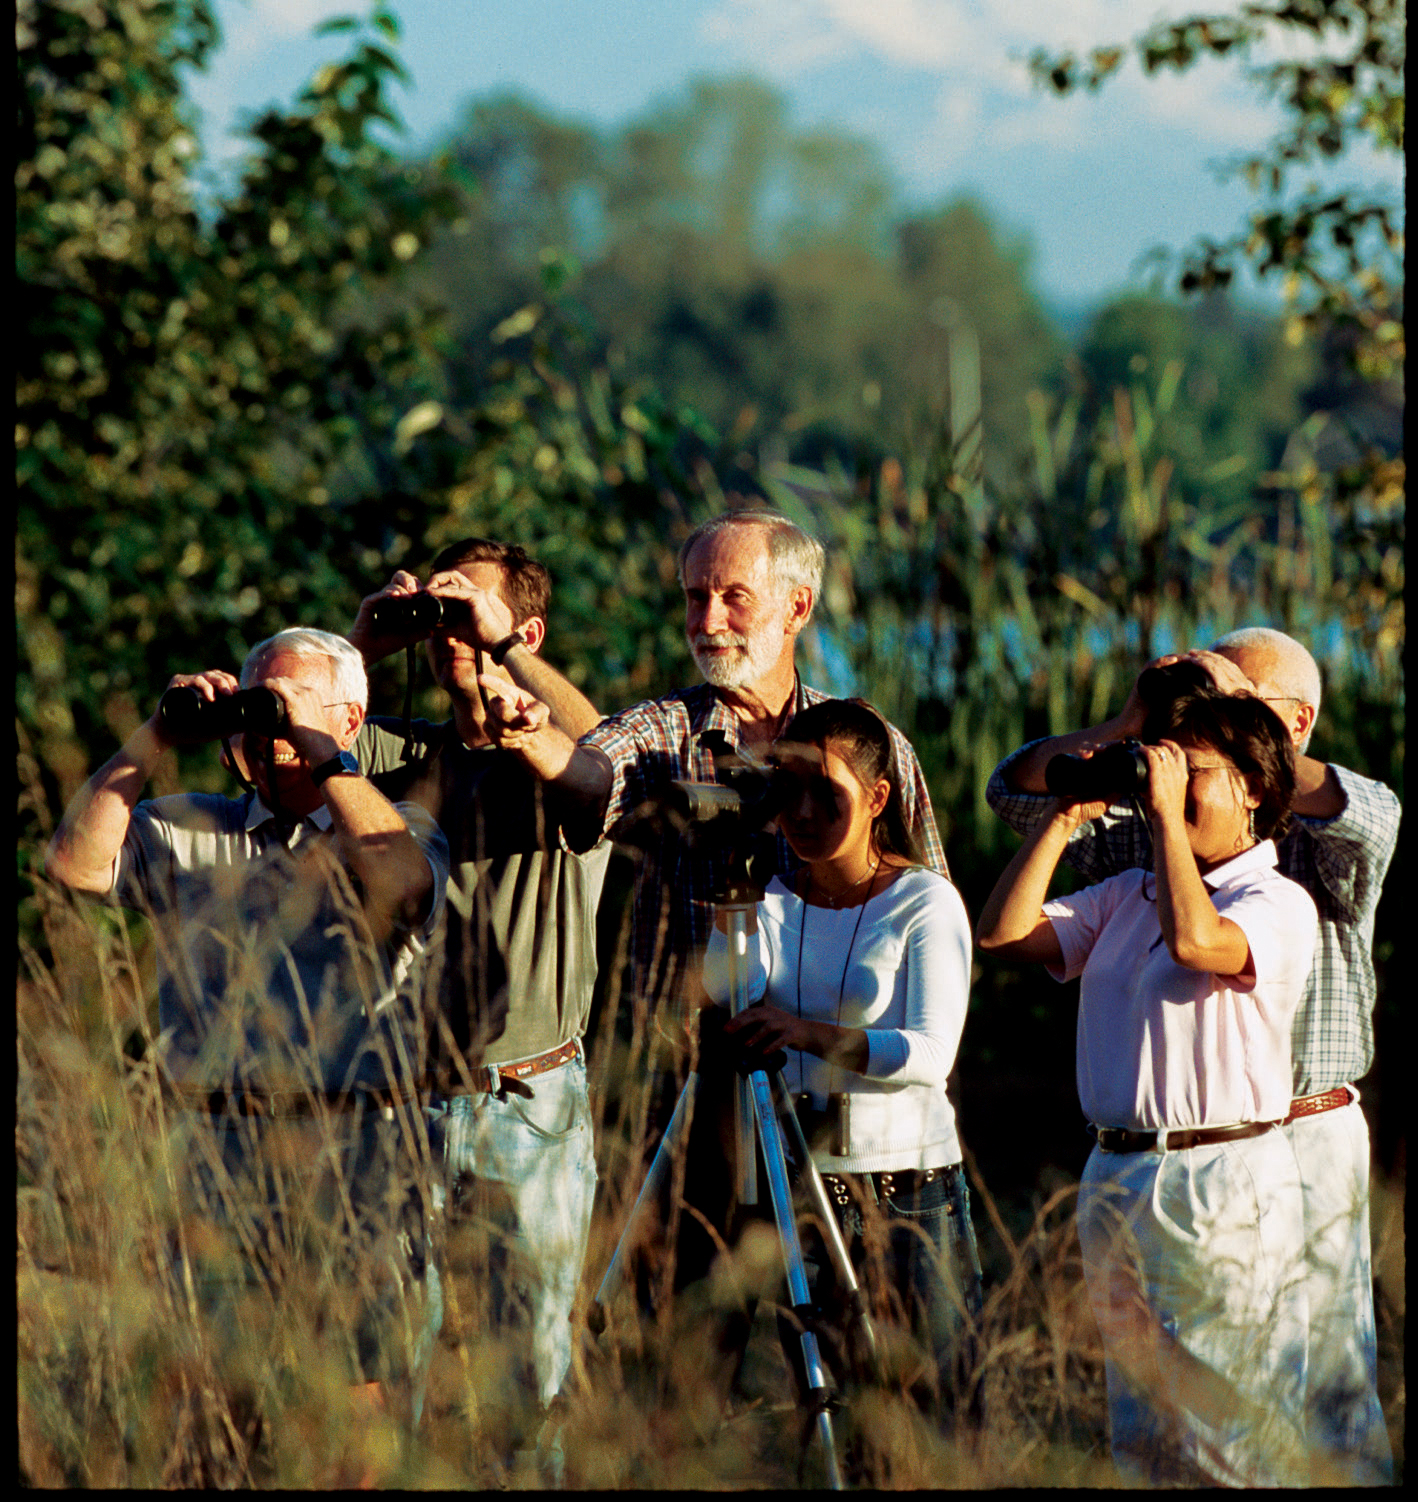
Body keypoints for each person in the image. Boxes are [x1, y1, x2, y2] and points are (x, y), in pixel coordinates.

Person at [984, 627, 1397, 1484]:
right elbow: (1002, 918)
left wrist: (1196, 777)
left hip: (1250, 1160)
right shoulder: (1134, 880)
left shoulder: (1285, 887)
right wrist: (1100, 767)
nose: (1168, 774)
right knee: (1145, 1435)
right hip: (1121, 1171)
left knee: (1274, 1417)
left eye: (1198, 760)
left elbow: (1199, 940)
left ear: (1261, 771)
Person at [42, 628, 450, 1463]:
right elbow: (74, 867)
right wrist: (157, 734)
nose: (266, 729)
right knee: (207, 1401)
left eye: (288, 705)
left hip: (349, 1151)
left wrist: (321, 751)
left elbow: (404, 884)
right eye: (256, 706)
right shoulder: (190, 825)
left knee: (356, 1406)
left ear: (351, 718)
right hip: (211, 1150)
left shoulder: (395, 825)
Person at [347, 537, 609, 1469]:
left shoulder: (558, 757)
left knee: (526, 1376)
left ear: (525, 631)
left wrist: (499, 652)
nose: (446, 633)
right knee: (386, 1368)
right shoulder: (398, 752)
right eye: (440, 616)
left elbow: (601, 759)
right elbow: (296, 737)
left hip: (525, 1101)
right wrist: (364, 644)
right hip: (400, 1098)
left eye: (469, 613)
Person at [497, 508, 949, 1018]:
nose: (708, 622)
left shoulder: (873, 749)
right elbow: (591, 773)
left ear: (797, 608)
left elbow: (932, 923)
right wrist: (530, 738)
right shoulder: (663, 731)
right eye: (696, 598)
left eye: (735, 597)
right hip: (686, 1049)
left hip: (838, 1049)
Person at [703, 698, 980, 1420]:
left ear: (878, 797)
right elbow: (728, 992)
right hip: (806, 1191)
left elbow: (931, 1054)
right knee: (835, 1416)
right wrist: (735, 885)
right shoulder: (771, 897)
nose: (801, 812)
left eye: (825, 793)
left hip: (909, 1194)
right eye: (787, 790)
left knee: (933, 1416)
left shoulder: (924, 902)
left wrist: (806, 1033)